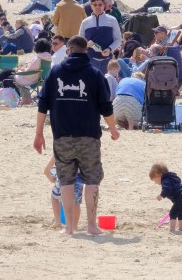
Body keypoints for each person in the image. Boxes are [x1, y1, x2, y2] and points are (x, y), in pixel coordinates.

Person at [34, 36, 120, 237]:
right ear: (86, 51)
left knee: (66, 181)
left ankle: (69, 228)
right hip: (89, 136)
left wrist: (39, 134)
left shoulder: (55, 72)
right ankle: (91, 225)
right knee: (92, 180)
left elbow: (42, 105)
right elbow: (105, 107)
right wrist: (113, 129)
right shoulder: (95, 74)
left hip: (62, 135)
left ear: (69, 50)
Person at [79, 0, 123, 75]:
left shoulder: (112, 20)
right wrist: (86, 44)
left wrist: (110, 49)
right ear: (91, 6)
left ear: (104, 5)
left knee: (106, 84)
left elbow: (118, 39)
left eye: (100, 4)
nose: (97, 7)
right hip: (90, 60)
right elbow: (80, 41)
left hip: (108, 61)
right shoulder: (85, 22)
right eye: (95, 5)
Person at [150, 162, 182, 233]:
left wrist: (161, 195)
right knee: (179, 212)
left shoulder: (165, 180)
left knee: (173, 213)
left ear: (158, 175)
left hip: (181, 197)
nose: (155, 183)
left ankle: (172, 229)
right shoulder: (172, 178)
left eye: (155, 180)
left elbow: (167, 189)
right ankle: (181, 228)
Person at [46, 155, 83, 231]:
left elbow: (46, 171)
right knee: (76, 203)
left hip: (64, 177)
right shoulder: (81, 150)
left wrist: (51, 179)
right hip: (78, 178)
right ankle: (74, 226)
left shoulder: (59, 150)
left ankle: (58, 222)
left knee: (54, 197)